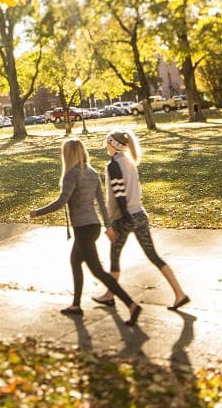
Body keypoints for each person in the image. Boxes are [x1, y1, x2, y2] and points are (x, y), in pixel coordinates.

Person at [30, 138, 142, 324]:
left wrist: (37, 212)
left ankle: (131, 305)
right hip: (93, 227)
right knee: (75, 261)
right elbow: (102, 204)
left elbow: (62, 201)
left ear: (68, 154)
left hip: (83, 229)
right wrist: (107, 227)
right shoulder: (92, 173)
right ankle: (76, 306)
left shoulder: (72, 174)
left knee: (97, 271)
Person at [93, 129, 190, 311]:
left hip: (125, 217)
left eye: (107, 142)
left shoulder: (113, 165)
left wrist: (118, 221)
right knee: (153, 256)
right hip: (140, 215)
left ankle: (109, 295)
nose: (105, 145)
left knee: (114, 256)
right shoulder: (130, 162)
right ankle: (179, 294)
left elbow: (119, 193)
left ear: (114, 145)